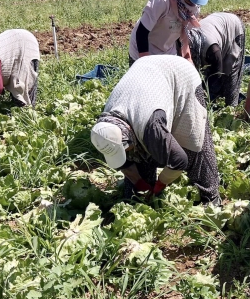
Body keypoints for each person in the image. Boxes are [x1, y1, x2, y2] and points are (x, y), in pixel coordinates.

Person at [91, 55, 221, 205]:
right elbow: (119, 151)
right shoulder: (104, 128)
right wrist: (137, 180)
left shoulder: (151, 127)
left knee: (194, 143)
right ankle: (137, 194)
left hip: (180, 75)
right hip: (145, 77)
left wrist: (160, 184)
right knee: (138, 153)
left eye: (126, 149)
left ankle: (211, 197)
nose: (127, 153)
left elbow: (179, 160)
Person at [128, 0, 211, 66]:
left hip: (167, 52)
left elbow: (183, 36)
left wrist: (187, 59)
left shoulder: (193, 7)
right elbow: (142, 32)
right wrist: (145, 65)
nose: (192, 3)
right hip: (144, 51)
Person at [187, 12, 246, 107]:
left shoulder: (213, 50)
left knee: (230, 73)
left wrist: (207, 100)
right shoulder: (186, 43)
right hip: (215, 28)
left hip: (233, 27)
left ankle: (231, 109)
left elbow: (217, 74)